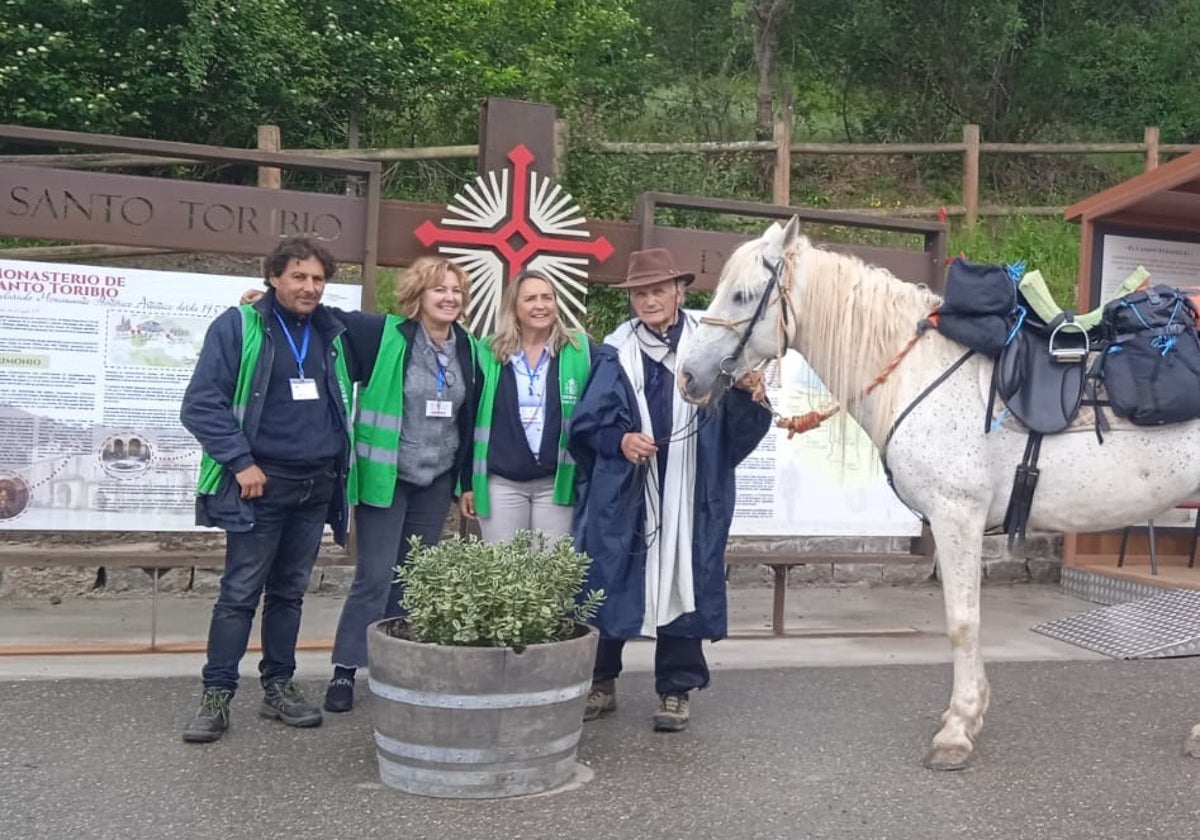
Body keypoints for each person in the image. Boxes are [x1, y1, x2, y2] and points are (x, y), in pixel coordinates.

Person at [569, 247, 771, 733]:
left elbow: (740, 432)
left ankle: (675, 689)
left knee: (684, 580)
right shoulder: (616, 352)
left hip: (691, 487)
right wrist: (619, 440)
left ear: (680, 292)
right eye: (640, 292)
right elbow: (586, 426)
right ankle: (601, 680)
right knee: (611, 578)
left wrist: (748, 395)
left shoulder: (711, 349)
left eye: (658, 290)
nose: (649, 300)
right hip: (627, 491)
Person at [179, 235, 354, 743]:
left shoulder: (329, 330)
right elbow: (201, 405)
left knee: (290, 594)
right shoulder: (238, 326)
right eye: (298, 276)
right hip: (260, 486)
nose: (309, 287)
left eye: (318, 278)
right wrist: (241, 462)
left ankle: (279, 688)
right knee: (238, 594)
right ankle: (216, 698)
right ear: (273, 278)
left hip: (314, 485)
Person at [321, 256, 480, 713]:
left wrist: (465, 480)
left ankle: (397, 667)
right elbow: (325, 315)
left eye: (456, 291)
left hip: (435, 480)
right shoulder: (383, 333)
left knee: (412, 578)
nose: (449, 297)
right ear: (418, 296)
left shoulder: (469, 348)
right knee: (374, 576)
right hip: (386, 477)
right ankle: (345, 670)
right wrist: (264, 305)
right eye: (439, 290)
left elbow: (471, 422)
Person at [459, 269, 592, 541]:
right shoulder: (487, 351)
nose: (540, 305)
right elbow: (468, 418)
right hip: (501, 483)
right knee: (504, 575)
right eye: (530, 299)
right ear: (514, 307)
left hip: (557, 483)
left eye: (547, 297)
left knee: (551, 576)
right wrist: (466, 483)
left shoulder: (580, 350)